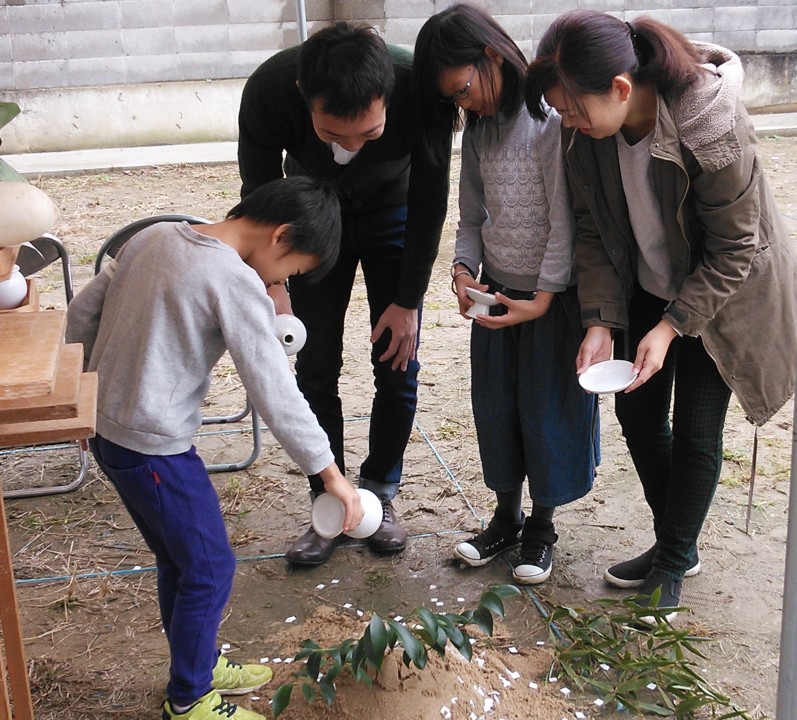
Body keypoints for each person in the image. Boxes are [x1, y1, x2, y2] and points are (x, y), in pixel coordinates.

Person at [524, 11, 797, 617]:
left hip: (722, 295)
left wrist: (673, 326)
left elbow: (734, 248)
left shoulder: (709, 121)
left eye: (572, 109)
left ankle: (673, 559)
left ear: (621, 89)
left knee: (699, 429)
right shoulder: (585, 134)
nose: (565, 122)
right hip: (648, 280)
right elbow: (594, 232)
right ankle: (678, 542)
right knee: (638, 413)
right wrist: (600, 318)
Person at [65, 177, 363, 720]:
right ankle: (190, 699)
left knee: (179, 560)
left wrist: (78, 393)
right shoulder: (233, 280)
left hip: (111, 432)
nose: (282, 283)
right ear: (280, 237)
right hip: (153, 446)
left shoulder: (155, 235)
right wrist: (330, 473)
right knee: (209, 566)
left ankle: (197, 663)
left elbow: (83, 312)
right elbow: (273, 388)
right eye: (292, 270)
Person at [237, 21, 451, 567]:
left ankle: (379, 490)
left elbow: (430, 197)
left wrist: (408, 300)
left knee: (397, 362)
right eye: (334, 135)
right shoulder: (269, 89)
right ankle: (328, 501)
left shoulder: (418, 86)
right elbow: (259, 196)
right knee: (315, 364)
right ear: (303, 98)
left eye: (369, 134)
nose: (350, 148)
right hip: (309, 217)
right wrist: (273, 283)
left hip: (395, 213)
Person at [414, 4, 600, 585]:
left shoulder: (548, 121)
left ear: (491, 56)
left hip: (549, 300)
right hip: (495, 294)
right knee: (496, 408)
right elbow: (473, 213)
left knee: (547, 411)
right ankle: (505, 516)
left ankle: (542, 525)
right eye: (453, 100)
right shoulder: (480, 129)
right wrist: (465, 266)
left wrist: (543, 297)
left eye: (463, 89)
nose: (462, 104)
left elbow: (562, 223)